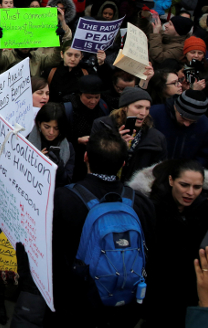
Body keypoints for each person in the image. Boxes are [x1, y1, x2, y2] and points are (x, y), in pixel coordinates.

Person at [51, 130, 155, 328]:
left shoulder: (62, 198)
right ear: (123, 164)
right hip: (125, 302)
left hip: (76, 303)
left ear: (86, 157)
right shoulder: (142, 203)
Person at [128, 160, 208, 328]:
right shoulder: (152, 209)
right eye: (184, 185)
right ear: (171, 181)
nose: (190, 192)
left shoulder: (207, 210)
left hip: (189, 295)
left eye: (197, 187)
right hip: (157, 292)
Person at [91, 87, 166, 181]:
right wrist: (115, 145)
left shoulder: (156, 138)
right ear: (125, 107)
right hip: (103, 182)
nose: (143, 113)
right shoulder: (103, 125)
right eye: (138, 107)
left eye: (147, 108)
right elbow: (93, 159)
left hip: (133, 189)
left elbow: (157, 172)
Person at [64, 75, 110, 182]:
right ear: (80, 94)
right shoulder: (68, 109)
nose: (93, 101)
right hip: (74, 159)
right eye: (89, 98)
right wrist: (77, 140)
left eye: (97, 97)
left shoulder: (103, 107)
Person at [149, 89, 208, 164]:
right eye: (183, 118)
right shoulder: (154, 115)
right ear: (175, 107)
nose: (187, 124)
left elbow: (205, 156)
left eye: (192, 121)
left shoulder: (205, 126)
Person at [27, 102, 75, 186]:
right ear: (39, 124)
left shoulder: (67, 147)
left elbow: (67, 181)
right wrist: (36, 162)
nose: (51, 132)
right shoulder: (27, 141)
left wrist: (58, 166)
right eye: (47, 127)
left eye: (56, 128)